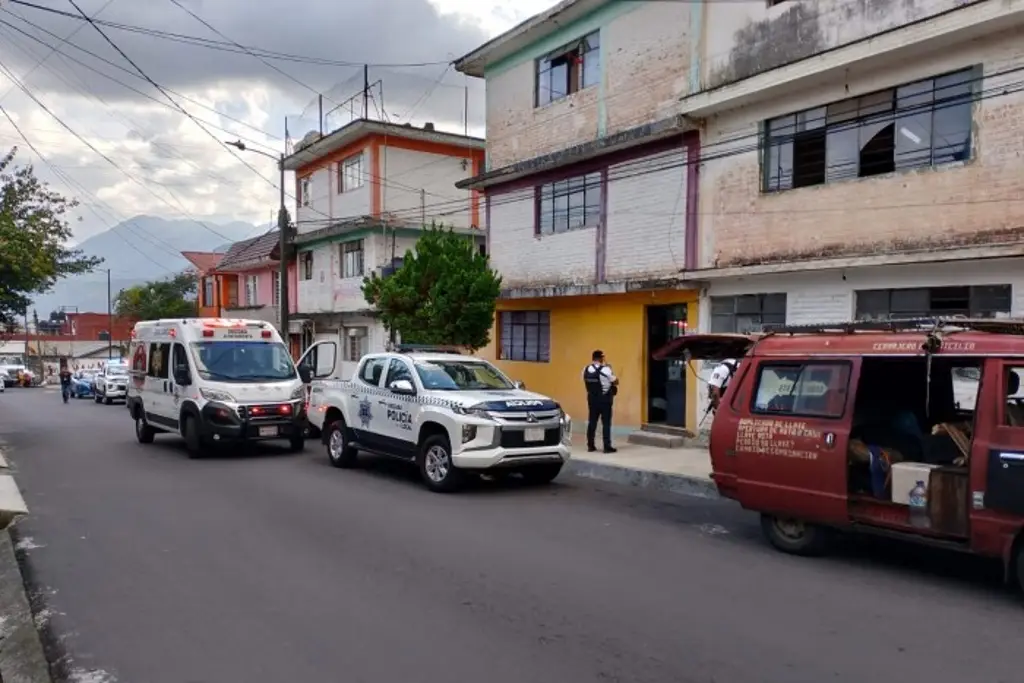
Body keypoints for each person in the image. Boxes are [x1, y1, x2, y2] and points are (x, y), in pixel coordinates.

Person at [583, 349, 618, 453]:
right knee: (606, 423)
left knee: (592, 422)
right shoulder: (606, 370)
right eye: (603, 358)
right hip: (604, 400)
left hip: (592, 399)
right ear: (601, 358)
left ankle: (590, 445)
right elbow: (616, 381)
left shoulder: (585, 369)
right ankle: (607, 447)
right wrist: (610, 369)